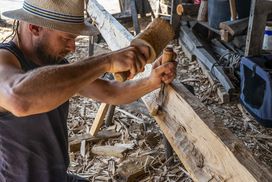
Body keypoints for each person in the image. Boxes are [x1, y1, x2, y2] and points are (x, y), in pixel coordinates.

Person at [0, 0, 176, 181]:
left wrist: (152, 81)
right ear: (35, 27)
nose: (73, 47)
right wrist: (107, 61)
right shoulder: (4, 60)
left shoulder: (54, 64)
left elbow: (111, 92)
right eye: (67, 38)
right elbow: (18, 98)